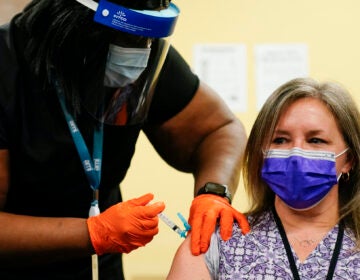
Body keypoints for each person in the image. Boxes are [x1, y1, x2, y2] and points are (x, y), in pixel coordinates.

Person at [0, 0, 250, 279]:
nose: (139, 53)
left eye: (146, 40)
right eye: (128, 38)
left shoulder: (142, 47)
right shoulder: (7, 66)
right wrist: (93, 232)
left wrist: (213, 193)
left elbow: (218, 129)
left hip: (99, 266)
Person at [167, 77, 360, 279]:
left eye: (315, 140)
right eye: (280, 140)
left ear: (349, 159)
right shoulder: (215, 242)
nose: (296, 153)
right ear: (261, 153)